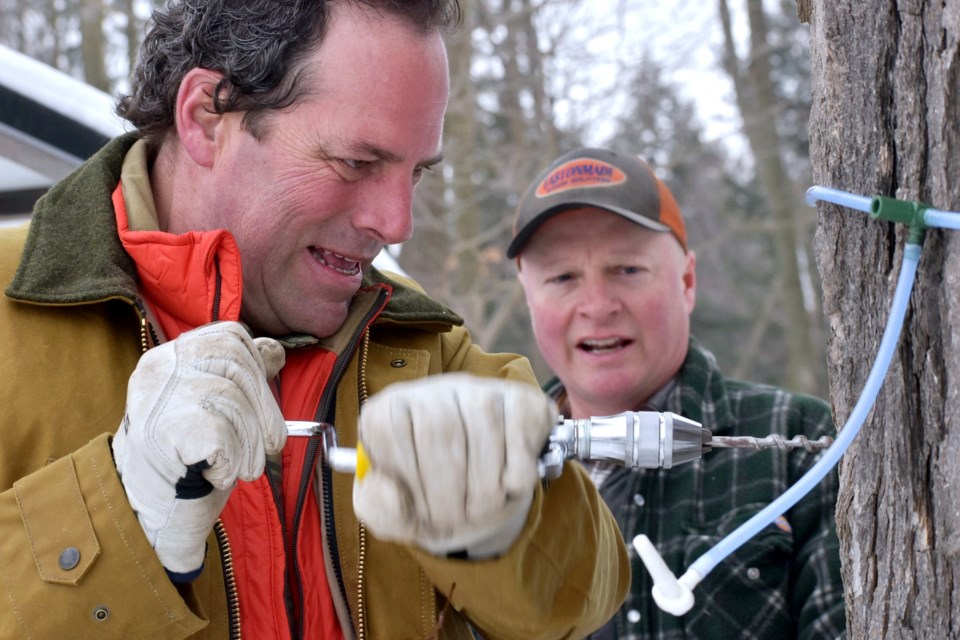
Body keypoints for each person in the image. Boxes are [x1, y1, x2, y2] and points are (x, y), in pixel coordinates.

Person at [0, 3, 631, 638]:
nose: (397, 223)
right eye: (357, 162)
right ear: (206, 118)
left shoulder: (420, 344)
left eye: (416, 173)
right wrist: (118, 520)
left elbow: (581, 602)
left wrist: (507, 524)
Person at [508, 147, 847, 639]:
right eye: (562, 277)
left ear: (686, 281)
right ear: (529, 297)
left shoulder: (797, 445)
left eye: (627, 269)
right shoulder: (489, 468)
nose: (597, 306)